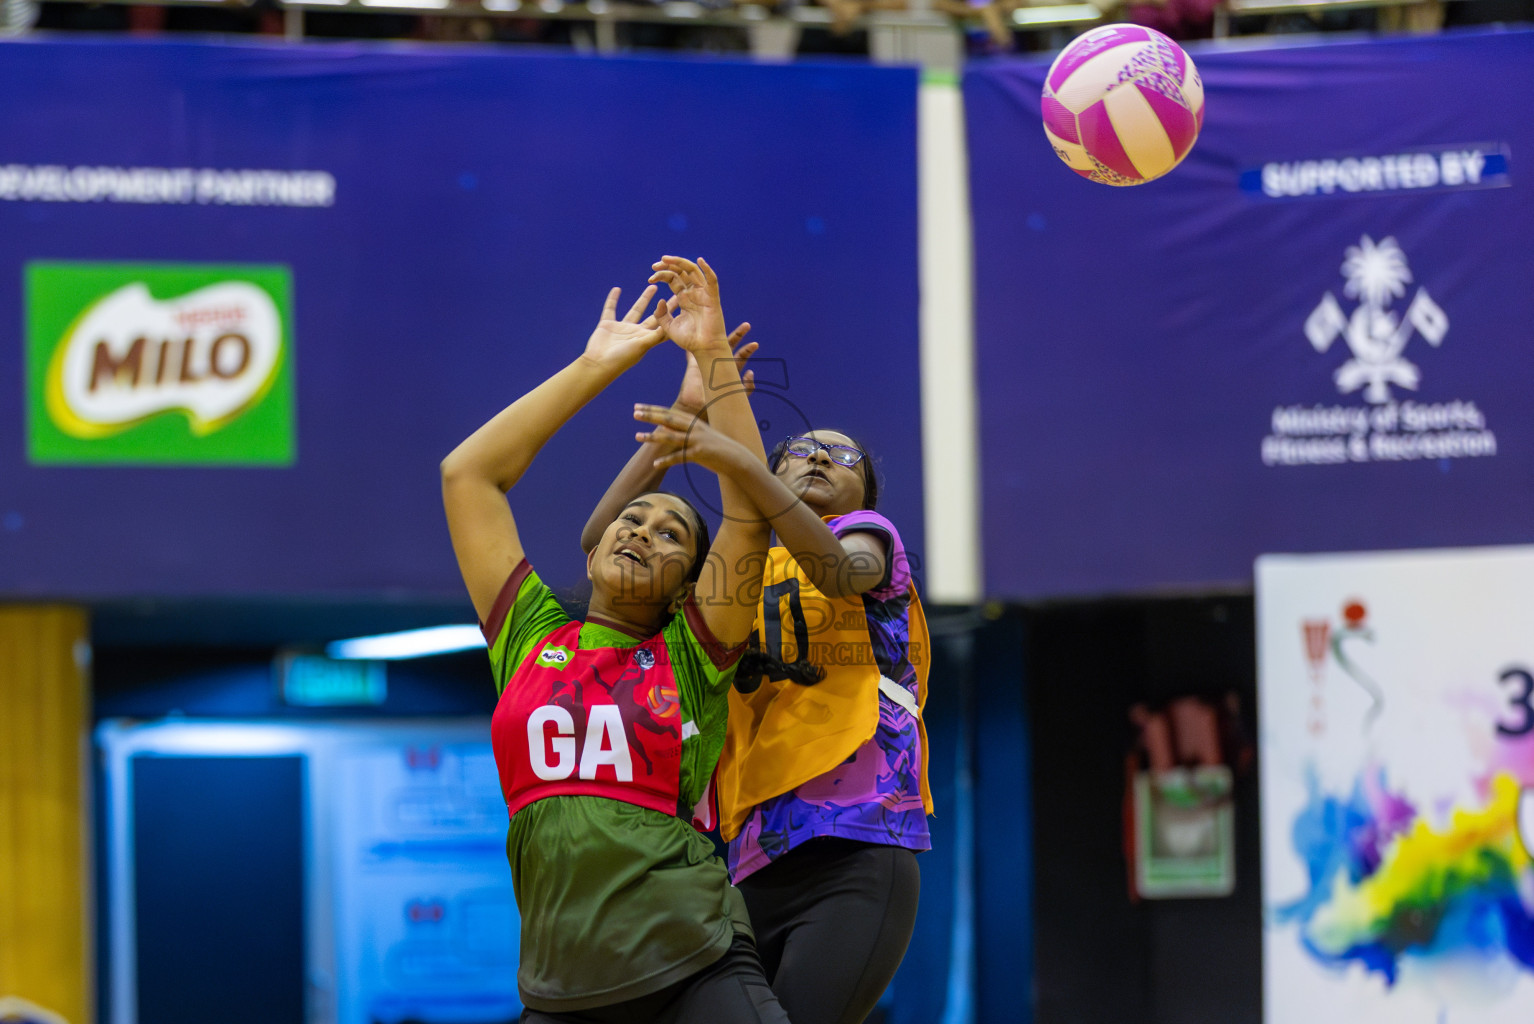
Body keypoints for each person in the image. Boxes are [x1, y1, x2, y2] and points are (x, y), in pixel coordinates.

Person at [440, 257, 791, 1023]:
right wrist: (595, 365)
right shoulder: (529, 634)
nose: (642, 531)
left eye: (671, 535)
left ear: (688, 585)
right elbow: (468, 475)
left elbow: (747, 514)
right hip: (558, 986)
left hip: (697, 961)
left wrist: (714, 358)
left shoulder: (692, 654)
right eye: (632, 520)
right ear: (596, 546)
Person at [583, 337, 933, 1024]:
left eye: (843, 457)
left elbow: (838, 572)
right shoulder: (732, 581)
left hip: (858, 846)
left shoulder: (868, 540)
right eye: (801, 450)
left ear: (865, 495)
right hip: (752, 865)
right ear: (773, 471)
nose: (821, 459)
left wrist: (739, 461)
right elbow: (600, 541)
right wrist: (676, 429)